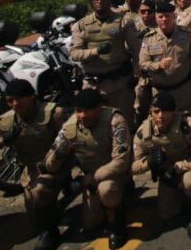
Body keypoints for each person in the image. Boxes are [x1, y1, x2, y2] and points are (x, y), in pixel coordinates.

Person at [0, 80, 69, 250]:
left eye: (19, 99)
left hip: (58, 164)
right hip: (32, 170)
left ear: (32, 97)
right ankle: (51, 214)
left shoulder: (54, 113)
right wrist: (2, 140)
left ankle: (51, 232)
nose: (15, 104)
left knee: (40, 192)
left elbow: (72, 138)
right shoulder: (5, 121)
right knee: (34, 210)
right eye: (10, 100)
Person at [44, 89, 132, 249]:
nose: (82, 116)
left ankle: (117, 225)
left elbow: (121, 162)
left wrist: (89, 179)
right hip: (90, 179)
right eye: (78, 111)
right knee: (90, 224)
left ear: (99, 108)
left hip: (114, 174)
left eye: (87, 111)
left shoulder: (115, 121)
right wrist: (60, 153)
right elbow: (49, 164)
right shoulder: (69, 127)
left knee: (107, 190)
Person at [132, 92, 191, 239]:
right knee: (165, 213)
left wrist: (179, 167)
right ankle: (179, 195)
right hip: (166, 174)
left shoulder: (187, 124)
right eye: (156, 112)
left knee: (190, 182)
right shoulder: (143, 132)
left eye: (165, 111)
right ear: (150, 111)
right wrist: (148, 162)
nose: (160, 116)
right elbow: (133, 166)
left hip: (187, 167)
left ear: (174, 111)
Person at [70, 0, 140, 126]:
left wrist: (137, 74)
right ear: (91, 3)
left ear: (110, 2)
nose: (100, 2)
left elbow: (137, 49)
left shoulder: (123, 21)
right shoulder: (82, 25)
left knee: (124, 122)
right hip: (92, 84)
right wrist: (96, 51)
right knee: (90, 124)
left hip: (119, 82)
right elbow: (74, 54)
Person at [140, 1, 191, 113]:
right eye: (161, 16)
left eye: (167, 16)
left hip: (184, 91)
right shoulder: (149, 38)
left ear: (174, 17)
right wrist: (157, 65)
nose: (164, 19)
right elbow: (142, 63)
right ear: (156, 18)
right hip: (160, 93)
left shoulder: (185, 34)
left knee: (187, 124)